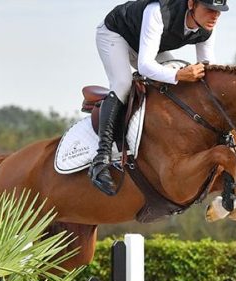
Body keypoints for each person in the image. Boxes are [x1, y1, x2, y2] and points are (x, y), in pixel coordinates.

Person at [90, 0, 228, 196]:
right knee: (123, 83)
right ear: (191, 4)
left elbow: (208, 68)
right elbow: (145, 65)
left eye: (219, 11)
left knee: (179, 83)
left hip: (146, 44)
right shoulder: (159, 12)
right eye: (209, 9)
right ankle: (101, 158)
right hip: (115, 35)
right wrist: (178, 76)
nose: (215, 16)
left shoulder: (206, 29)